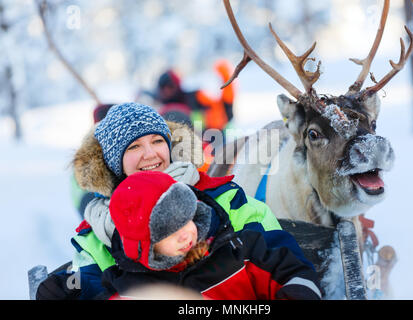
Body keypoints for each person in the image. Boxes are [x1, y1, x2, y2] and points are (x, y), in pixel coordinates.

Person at [36, 102, 316, 299]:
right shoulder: (97, 235)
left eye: (158, 141)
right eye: (134, 147)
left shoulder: (225, 200)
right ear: (113, 164)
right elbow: (90, 287)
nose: (151, 154)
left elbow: (282, 262)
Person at [101, 171, 322, 300]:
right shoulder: (136, 290)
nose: (186, 233)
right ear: (145, 246)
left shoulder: (240, 250)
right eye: (169, 232)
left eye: (187, 219)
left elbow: (293, 273)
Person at [138, 60, 235, 133]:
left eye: (170, 86)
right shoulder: (157, 103)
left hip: (208, 141)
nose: (167, 91)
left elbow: (223, 107)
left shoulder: (195, 97)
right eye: (163, 87)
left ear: (177, 85)